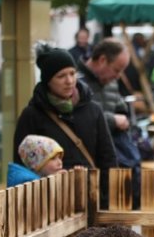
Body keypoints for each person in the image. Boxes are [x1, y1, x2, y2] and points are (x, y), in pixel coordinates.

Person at [13, 44, 116, 204]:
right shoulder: (32, 115)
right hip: (49, 203)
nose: (69, 81)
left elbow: (107, 157)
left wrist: (106, 199)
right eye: (61, 76)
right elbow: (21, 164)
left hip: (91, 199)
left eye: (72, 73)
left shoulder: (93, 110)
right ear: (48, 81)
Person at [76, 38, 141, 209]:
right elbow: (81, 117)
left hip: (111, 158)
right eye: (116, 70)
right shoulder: (76, 83)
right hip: (89, 162)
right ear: (102, 60)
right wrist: (113, 120)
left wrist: (124, 117)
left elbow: (121, 108)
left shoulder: (111, 83)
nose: (118, 76)